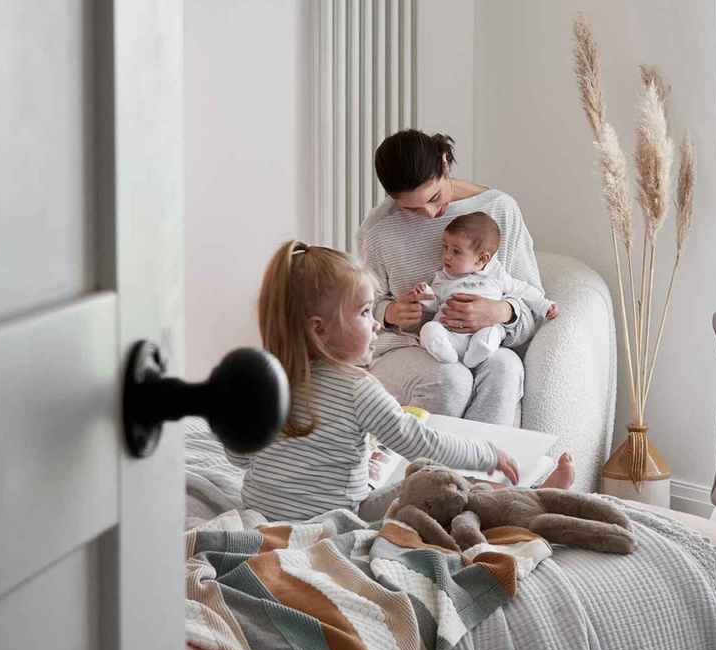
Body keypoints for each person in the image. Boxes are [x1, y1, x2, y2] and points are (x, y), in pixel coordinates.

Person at [228, 240, 572, 523]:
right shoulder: (356, 389)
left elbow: (239, 458)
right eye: (364, 313)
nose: (376, 324)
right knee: (439, 487)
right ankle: (531, 502)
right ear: (320, 329)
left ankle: (525, 498)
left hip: (260, 514)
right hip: (337, 519)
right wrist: (486, 453)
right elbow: (422, 443)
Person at [358, 129, 544, 426]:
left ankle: (481, 471)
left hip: (482, 341)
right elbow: (362, 306)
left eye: (434, 197)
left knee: (505, 367)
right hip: (405, 348)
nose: (430, 214)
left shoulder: (499, 209)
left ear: (445, 164)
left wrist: (502, 312)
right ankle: (427, 472)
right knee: (452, 379)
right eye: (412, 208)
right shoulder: (380, 229)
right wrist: (390, 312)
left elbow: (533, 305)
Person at [415, 211, 557, 368]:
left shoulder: (496, 275)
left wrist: (544, 305)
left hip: (482, 331)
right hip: (449, 334)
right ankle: (446, 355)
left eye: (456, 251)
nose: (447, 256)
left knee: (493, 332)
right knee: (429, 329)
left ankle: (480, 350)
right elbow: (434, 305)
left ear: (482, 258)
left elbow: (523, 290)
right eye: (445, 247)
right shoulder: (443, 277)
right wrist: (425, 294)